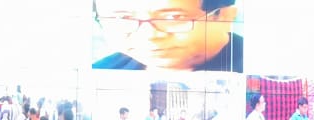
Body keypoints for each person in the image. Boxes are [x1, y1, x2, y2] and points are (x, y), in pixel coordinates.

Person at [92, 0, 242, 72]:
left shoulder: (249, 67)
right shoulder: (100, 70)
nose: (148, 36)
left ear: (224, 16)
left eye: (173, 17)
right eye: (123, 18)